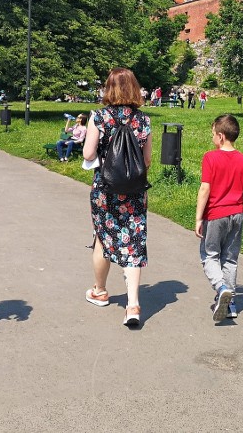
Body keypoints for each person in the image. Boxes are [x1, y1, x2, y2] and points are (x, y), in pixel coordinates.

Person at [82, 68, 153, 327]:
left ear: (108, 88)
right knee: (133, 240)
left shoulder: (99, 117)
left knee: (103, 236)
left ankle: (99, 291)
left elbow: (89, 154)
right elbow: (146, 161)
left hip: (105, 189)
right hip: (134, 192)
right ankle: (133, 304)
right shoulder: (144, 120)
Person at [195, 115, 243, 322]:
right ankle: (231, 304)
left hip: (216, 214)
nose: (212, 138)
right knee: (230, 258)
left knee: (209, 255)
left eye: (213, 134)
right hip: (237, 214)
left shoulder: (210, 157)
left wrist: (198, 219)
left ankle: (221, 288)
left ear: (221, 136)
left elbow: (205, 189)